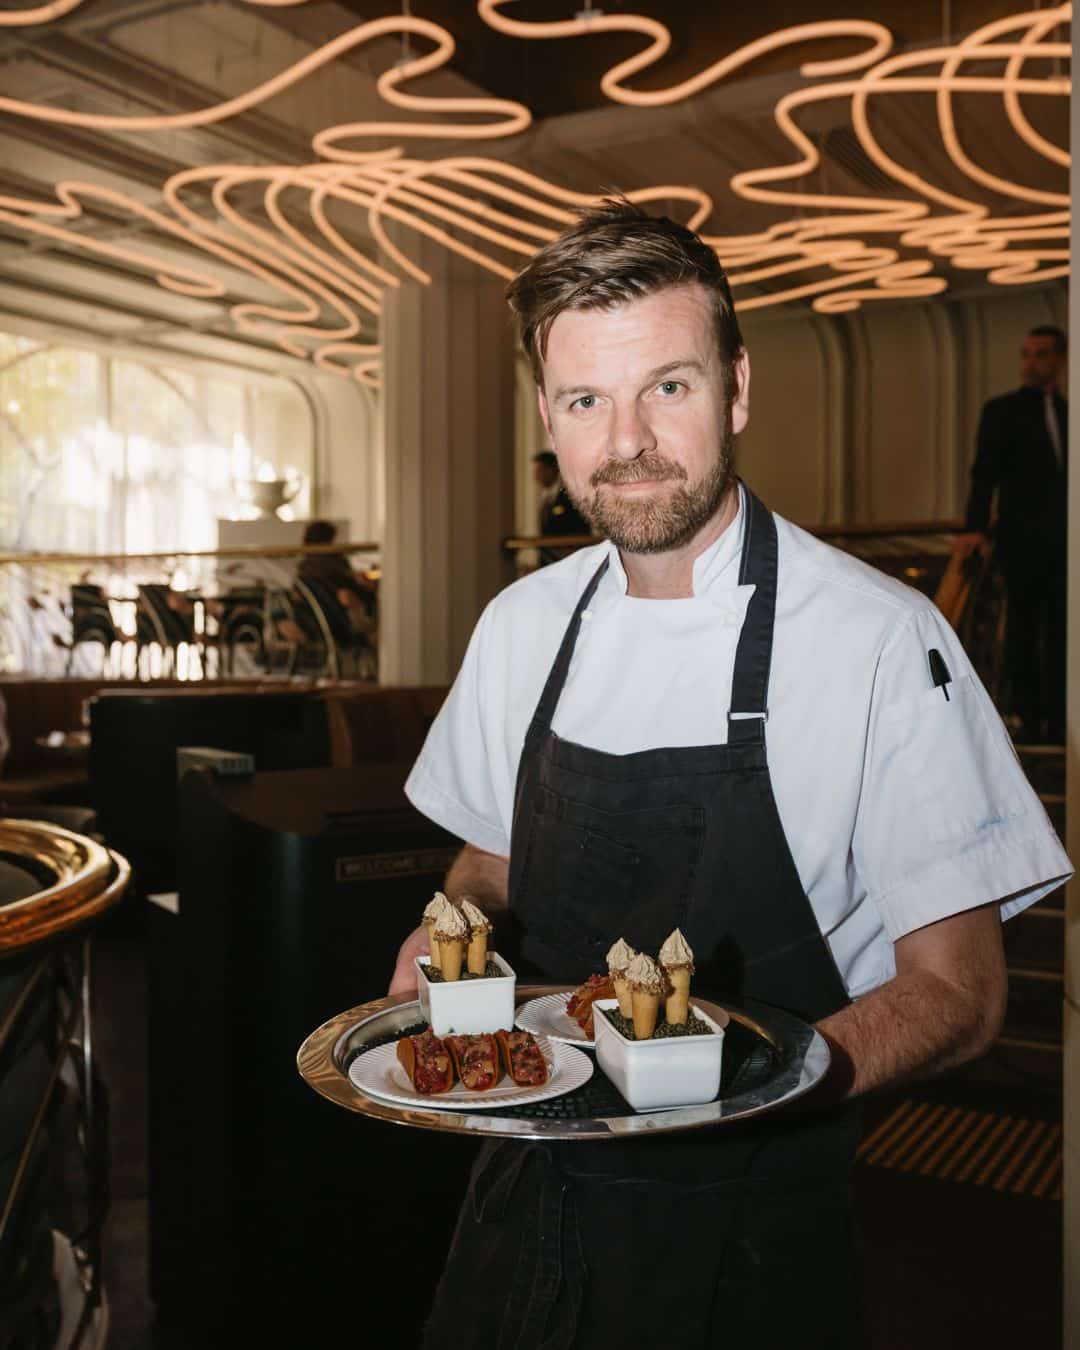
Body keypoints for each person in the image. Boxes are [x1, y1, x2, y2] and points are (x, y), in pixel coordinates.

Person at [390, 202, 1072, 1349]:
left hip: (752, 1232)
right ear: (547, 417)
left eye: (670, 386)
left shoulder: (880, 641)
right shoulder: (520, 626)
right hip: (522, 1205)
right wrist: (444, 939)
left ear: (738, 389)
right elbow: (487, 864)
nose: (628, 442)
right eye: (585, 401)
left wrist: (737, 1088)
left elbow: (961, 995)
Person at [954, 326, 1068, 743]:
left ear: (1059, 360)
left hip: (1064, 549)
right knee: (1021, 630)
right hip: (1021, 543)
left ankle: (1058, 720)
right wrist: (974, 530)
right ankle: (1026, 717)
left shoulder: (1068, 413)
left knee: (1061, 632)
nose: (1030, 363)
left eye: (1040, 355)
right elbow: (983, 474)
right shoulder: (1001, 410)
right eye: (1026, 354)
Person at [295, 519, 376, 638]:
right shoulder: (333, 566)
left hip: (318, 624)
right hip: (340, 623)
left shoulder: (304, 569)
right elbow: (350, 594)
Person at [532, 448, 591, 564]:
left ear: (551, 470)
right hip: (548, 559)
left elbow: (579, 528)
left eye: (539, 470)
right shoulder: (546, 496)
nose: (536, 476)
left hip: (567, 559)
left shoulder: (569, 495)